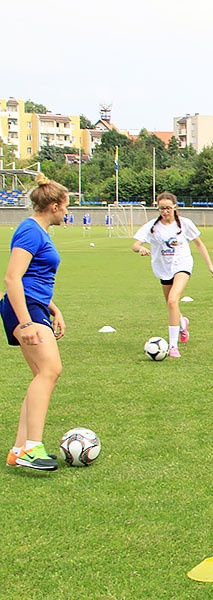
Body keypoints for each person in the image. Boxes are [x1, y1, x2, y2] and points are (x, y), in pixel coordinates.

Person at [2, 174, 69, 470]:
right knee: (51, 369)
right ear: (54, 206)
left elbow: (34, 278)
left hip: (34, 306)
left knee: (41, 375)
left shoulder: (38, 232)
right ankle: (32, 448)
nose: (68, 212)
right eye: (66, 207)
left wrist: (53, 308)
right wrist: (27, 323)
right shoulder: (31, 231)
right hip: (23, 309)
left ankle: (18, 450)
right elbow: (13, 277)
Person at [131, 192, 213, 358]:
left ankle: (172, 346)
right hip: (163, 268)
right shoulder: (152, 226)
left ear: (175, 207)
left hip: (182, 265)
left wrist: (210, 266)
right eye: (161, 208)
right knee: (170, 304)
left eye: (168, 208)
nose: (165, 212)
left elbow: (199, 244)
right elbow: (135, 244)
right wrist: (140, 248)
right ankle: (182, 322)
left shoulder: (185, 224)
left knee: (173, 300)